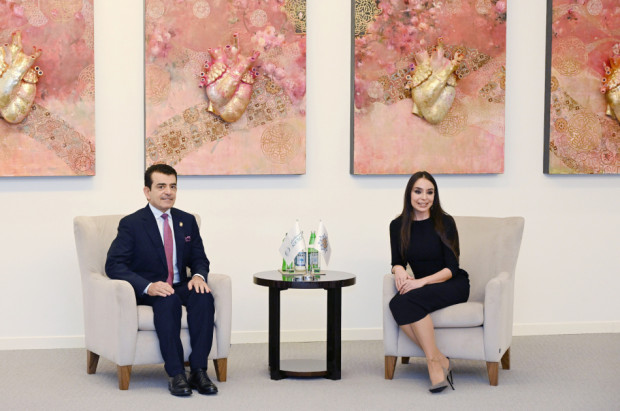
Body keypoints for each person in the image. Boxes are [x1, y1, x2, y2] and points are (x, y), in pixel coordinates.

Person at [105, 164, 217, 397]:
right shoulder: (132, 224)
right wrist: (148, 286)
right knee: (168, 301)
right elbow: (114, 265)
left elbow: (199, 258)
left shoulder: (187, 220)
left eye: (173, 186)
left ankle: (198, 370)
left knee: (203, 296)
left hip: (179, 284)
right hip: (151, 288)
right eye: (161, 186)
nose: (168, 192)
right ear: (147, 192)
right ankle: (176, 374)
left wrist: (198, 276)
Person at [388, 171, 470, 393]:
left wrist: (420, 282)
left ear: (435, 195)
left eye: (430, 192)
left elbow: (451, 268)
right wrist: (398, 269)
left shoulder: (445, 222)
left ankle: (433, 364)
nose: (424, 197)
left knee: (407, 302)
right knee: (396, 304)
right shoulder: (397, 225)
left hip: (452, 284)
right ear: (409, 194)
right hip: (424, 286)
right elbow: (397, 261)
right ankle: (438, 358)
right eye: (418, 191)